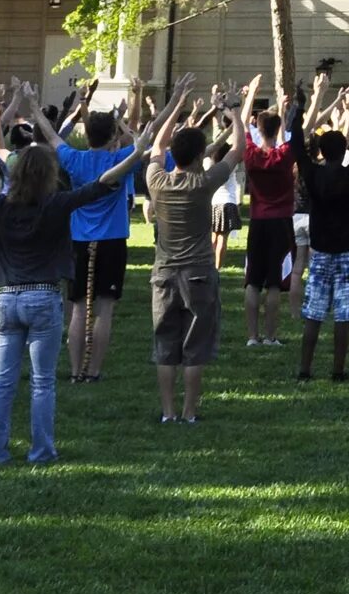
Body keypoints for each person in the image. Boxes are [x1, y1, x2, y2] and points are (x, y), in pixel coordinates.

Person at [0, 79, 170, 465]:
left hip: (6, 301)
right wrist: (137, 153)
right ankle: (41, 451)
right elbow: (103, 184)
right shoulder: (58, 204)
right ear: (47, 175)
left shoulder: (1, 205)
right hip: (43, 297)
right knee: (42, 383)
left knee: (2, 382)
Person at [143, 83, 236, 424]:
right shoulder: (204, 183)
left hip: (164, 273)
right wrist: (237, 112)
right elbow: (237, 149)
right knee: (195, 346)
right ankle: (190, 412)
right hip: (198, 272)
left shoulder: (157, 180)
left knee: (165, 346)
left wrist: (177, 103)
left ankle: (168, 413)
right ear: (199, 157)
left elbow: (156, 145)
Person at [290, 68, 349, 382]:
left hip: (320, 252)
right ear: (342, 151)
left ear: (319, 152)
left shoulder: (313, 174)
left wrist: (299, 108)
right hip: (348, 250)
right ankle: (338, 369)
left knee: (313, 314)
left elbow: (295, 147)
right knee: (344, 315)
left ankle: (305, 368)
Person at [55, 92, 141, 383]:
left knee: (78, 307)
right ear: (111, 136)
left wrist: (32, 106)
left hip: (79, 240)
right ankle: (94, 371)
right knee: (104, 308)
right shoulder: (121, 159)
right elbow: (142, 144)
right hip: (113, 240)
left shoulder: (74, 159)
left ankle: (76, 369)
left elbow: (53, 137)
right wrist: (126, 126)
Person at [238, 75, 295, 347]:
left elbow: (241, 124)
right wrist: (283, 111)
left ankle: (252, 336)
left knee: (253, 281)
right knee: (274, 284)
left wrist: (251, 95)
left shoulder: (250, 154)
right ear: (279, 127)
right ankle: (271, 336)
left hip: (258, 222)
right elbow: (299, 132)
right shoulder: (284, 155)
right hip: (281, 223)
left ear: (258, 129)